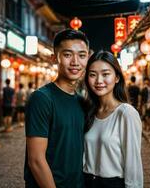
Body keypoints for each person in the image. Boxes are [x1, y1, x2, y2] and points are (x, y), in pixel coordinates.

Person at [24, 29, 89, 188]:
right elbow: (36, 160)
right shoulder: (42, 98)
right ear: (55, 58)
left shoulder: (82, 102)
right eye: (67, 55)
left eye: (82, 55)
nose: (75, 62)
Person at [83, 51, 143, 188]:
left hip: (112, 183)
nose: (98, 80)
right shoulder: (89, 111)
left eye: (105, 74)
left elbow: (133, 163)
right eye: (92, 75)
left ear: (117, 77)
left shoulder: (126, 113)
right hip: (86, 182)